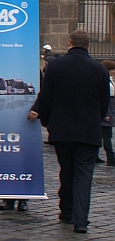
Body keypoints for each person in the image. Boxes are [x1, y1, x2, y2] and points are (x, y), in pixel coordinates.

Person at [29, 30, 109, 234]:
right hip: (89, 131)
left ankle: (66, 211)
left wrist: (45, 120)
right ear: (89, 45)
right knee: (83, 175)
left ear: (70, 43)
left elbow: (46, 96)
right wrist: (95, 121)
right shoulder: (99, 69)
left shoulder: (56, 66)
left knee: (67, 171)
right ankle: (81, 220)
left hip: (62, 130)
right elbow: (104, 102)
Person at [99, 60, 115, 166]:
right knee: (106, 135)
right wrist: (106, 114)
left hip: (110, 110)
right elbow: (105, 99)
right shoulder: (105, 82)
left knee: (103, 135)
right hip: (107, 111)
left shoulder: (109, 80)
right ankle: (110, 156)